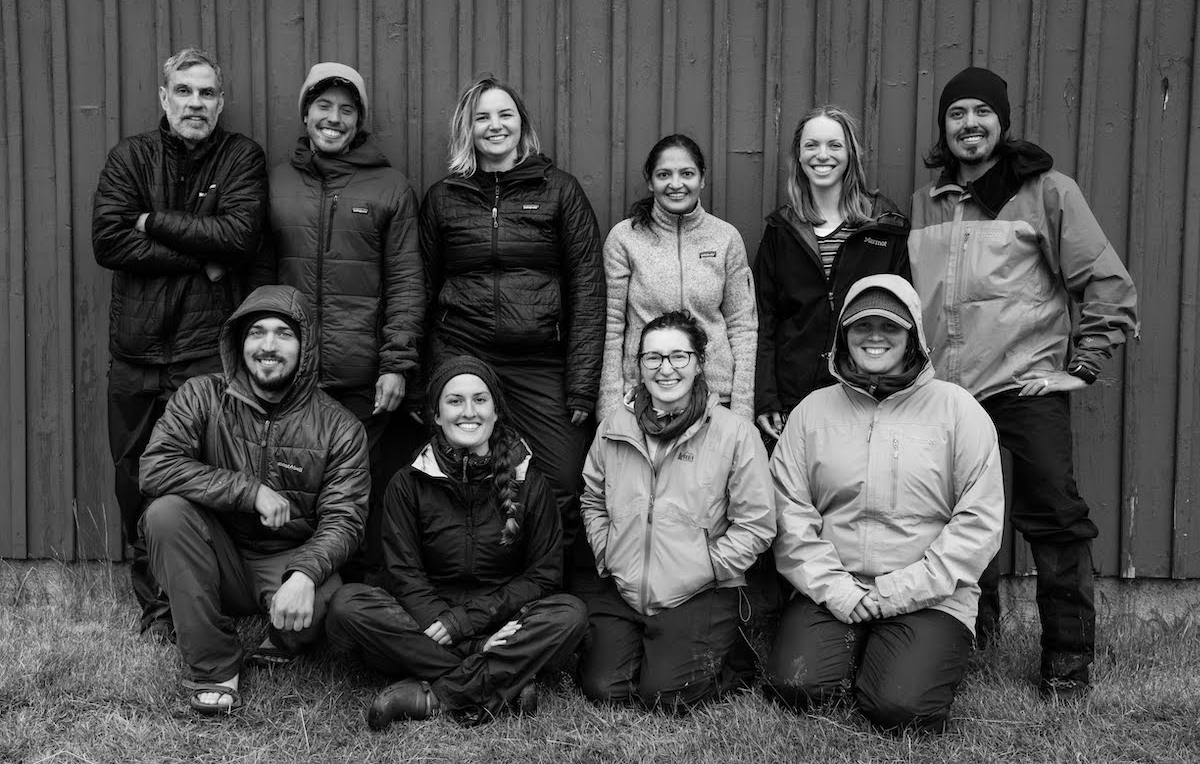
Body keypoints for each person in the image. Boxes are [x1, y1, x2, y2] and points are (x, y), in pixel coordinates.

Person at [908, 66, 1139, 697]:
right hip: (947, 395)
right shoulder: (924, 205)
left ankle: (1067, 663)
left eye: (983, 112)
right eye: (957, 114)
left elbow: (1106, 281)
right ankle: (972, 639)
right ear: (944, 127)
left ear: (1002, 123)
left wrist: (1081, 366)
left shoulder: (1048, 191)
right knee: (953, 518)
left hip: (1023, 388)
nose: (970, 124)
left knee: (1053, 521)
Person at [766, 275, 1004, 732]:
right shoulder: (811, 412)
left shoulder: (958, 410)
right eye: (861, 326)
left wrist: (896, 592)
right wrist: (836, 589)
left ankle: (900, 659)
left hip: (929, 593)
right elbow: (787, 511)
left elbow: (979, 522)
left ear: (913, 335)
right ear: (843, 336)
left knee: (902, 710)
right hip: (834, 585)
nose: (875, 336)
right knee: (796, 686)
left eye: (890, 327)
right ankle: (854, 648)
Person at [91, 46, 267, 639]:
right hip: (136, 354)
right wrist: (202, 256)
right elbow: (109, 244)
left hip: (201, 354)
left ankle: (203, 593)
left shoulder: (240, 156)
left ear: (221, 101)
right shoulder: (130, 158)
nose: (196, 103)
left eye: (207, 93)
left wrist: (153, 221)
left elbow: (241, 237)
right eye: (185, 91)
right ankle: (157, 607)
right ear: (164, 97)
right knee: (134, 478)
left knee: (203, 475)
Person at [138, 285, 369, 715]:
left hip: (286, 560)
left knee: (327, 601)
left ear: (306, 347)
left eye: (284, 334)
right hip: (215, 554)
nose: (268, 346)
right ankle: (214, 668)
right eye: (256, 333)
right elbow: (155, 467)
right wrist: (249, 490)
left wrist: (303, 575)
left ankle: (279, 639)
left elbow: (345, 519)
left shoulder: (340, 427)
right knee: (165, 514)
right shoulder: (202, 395)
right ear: (238, 342)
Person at [325, 355, 588, 727]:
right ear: (436, 414)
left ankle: (439, 695)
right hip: (426, 624)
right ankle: (500, 677)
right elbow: (403, 572)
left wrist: (465, 621)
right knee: (349, 604)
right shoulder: (408, 483)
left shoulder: (530, 483)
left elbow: (544, 576)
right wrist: (461, 636)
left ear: (497, 411)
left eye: (480, 400)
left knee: (569, 613)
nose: (469, 412)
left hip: (502, 620)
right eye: (455, 400)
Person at [419, 73, 604, 573]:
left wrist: (582, 385)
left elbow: (588, 289)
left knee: (564, 478)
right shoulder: (443, 198)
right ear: (467, 129)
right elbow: (422, 287)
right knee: (471, 474)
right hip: (465, 358)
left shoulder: (560, 191)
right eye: (482, 117)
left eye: (505, 115)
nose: (494, 125)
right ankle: (478, 580)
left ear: (522, 125)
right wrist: (431, 375)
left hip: (539, 360)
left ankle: (555, 588)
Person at [254, 62, 426, 576]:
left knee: (353, 490)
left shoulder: (390, 186)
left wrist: (396, 362)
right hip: (287, 372)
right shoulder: (275, 183)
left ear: (359, 120)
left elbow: (406, 282)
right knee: (290, 484)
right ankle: (289, 588)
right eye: (323, 106)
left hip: (360, 376)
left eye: (346, 110)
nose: (334, 118)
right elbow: (258, 280)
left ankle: (351, 599)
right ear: (306, 114)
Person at [578, 310, 775, 711]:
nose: (665, 369)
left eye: (678, 356)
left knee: (666, 696)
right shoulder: (614, 427)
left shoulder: (734, 433)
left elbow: (756, 525)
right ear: (640, 366)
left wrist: (704, 566)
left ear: (699, 362)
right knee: (604, 689)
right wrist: (607, 552)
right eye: (652, 358)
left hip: (700, 587)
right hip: (626, 585)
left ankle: (727, 655)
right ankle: (654, 641)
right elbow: (592, 498)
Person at [753, 106, 909, 443]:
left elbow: (905, 316)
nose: (822, 155)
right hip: (794, 399)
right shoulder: (781, 230)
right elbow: (764, 321)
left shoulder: (885, 225)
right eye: (811, 145)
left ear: (850, 153)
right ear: (798, 154)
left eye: (834, 145)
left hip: (866, 395)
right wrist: (766, 396)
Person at [598, 134, 757, 422]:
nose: (675, 184)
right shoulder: (624, 239)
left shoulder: (725, 238)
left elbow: (743, 327)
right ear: (650, 181)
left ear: (702, 178)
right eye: (664, 174)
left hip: (716, 399)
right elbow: (611, 327)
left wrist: (742, 410)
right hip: (644, 397)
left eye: (687, 173)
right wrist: (610, 410)